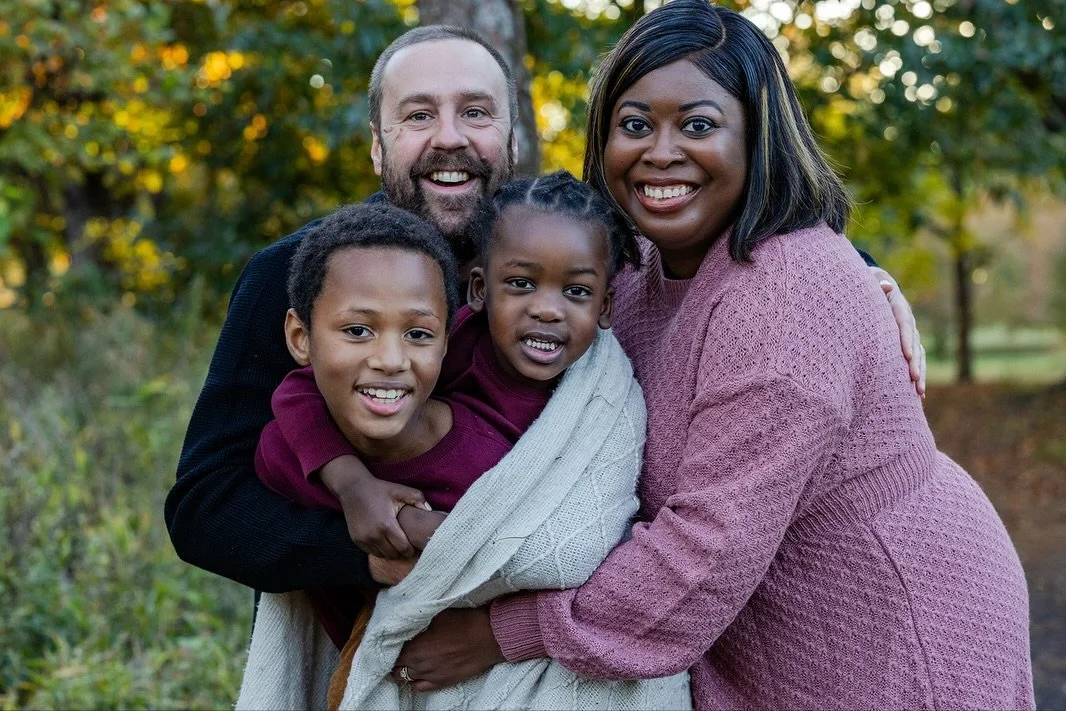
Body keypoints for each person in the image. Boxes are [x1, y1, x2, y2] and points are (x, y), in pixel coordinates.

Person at [164, 21, 922, 642]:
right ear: (376, 142)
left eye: (476, 113)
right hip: (367, 633)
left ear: (512, 135)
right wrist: (372, 550)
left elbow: (711, 228)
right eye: (419, 116)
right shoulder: (298, 275)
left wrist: (862, 276)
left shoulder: (561, 249)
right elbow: (204, 506)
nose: (450, 138)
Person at [388, 3, 1036, 710]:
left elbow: (705, 550)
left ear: (758, 136)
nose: (661, 152)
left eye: (697, 125)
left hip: (891, 638)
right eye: (635, 125)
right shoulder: (631, 270)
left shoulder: (785, 297)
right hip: (760, 639)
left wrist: (503, 630)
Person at [236, 173, 692, 710]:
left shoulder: (599, 402)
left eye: (576, 292)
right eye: (520, 283)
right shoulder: (439, 346)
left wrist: (425, 529)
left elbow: (573, 541)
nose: (548, 309)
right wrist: (352, 483)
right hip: (377, 621)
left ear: (607, 308)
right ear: (478, 290)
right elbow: (299, 392)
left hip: (492, 637)